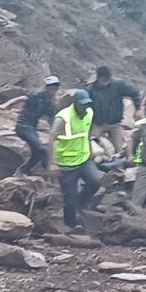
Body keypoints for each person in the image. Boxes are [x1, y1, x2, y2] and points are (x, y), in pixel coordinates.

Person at [48, 89, 103, 227]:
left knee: (96, 180)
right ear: (75, 103)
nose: (85, 107)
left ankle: (81, 203)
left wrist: (90, 150)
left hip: (84, 158)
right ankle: (70, 226)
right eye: (82, 104)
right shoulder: (63, 117)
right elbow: (51, 139)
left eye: (87, 104)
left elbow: (86, 133)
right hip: (66, 164)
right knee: (69, 199)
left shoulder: (89, 112)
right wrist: (52, 163)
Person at [0, 76, 61, 176]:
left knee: (37, 154)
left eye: (55, 89)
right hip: (23, 126)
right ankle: (47, 172)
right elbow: (21, 98)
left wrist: (54, 132)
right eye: (51, 88)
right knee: (41, 149)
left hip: (32, 128)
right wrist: (5, 105)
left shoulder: (50, 103)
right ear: (46, 87)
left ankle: (22, 171)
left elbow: (51, 119)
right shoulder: (36, 94)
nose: (52, 91)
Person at [87, 66, 142, 153]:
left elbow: (134, 93)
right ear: (98, 78)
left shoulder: (118, 85)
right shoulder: (91, 89)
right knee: (92, 145)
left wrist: (138, 108)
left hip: (115, 123)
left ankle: (119, 161)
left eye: (108, 79)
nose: (106, 81)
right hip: (97, 123)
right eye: (104, 79)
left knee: (119, 148)